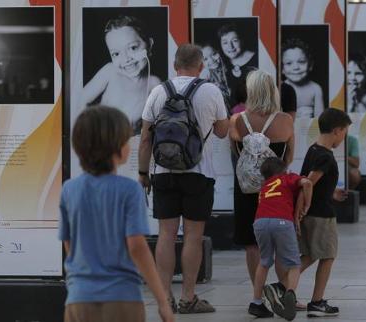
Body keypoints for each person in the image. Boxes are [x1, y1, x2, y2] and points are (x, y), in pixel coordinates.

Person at [59, 106, 174, 322]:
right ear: (118, 149)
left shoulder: (69, 189)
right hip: (122, 297)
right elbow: (137, 247)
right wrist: (162, 301)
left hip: (78, 298)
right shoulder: (130, 190)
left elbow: (69, 244)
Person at [138, 44, 229, 314]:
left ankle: (165, 298)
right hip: (198, 175)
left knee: (166, 235)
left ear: (175, 65)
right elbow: (223, 132)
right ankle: (189, 297)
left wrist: (143, 173)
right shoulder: (210, 91)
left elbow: (145, 138)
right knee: (193, 235)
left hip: (164, 174)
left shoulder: (158, 91)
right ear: (201, 66)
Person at [229, 70, 295, 307]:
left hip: (246, 189)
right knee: (281, 242)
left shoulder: (236, 121)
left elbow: (236, 154)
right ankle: (287, 291)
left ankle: (259, 294)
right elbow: (289, 158)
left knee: (251, 243)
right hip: (276, 189)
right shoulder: (286, 121)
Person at [297, 108, 352, 318]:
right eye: (344, 132)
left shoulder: (313, 150)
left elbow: (314, 183)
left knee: (310, 254)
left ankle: (283, 287)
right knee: (327, 256)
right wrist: (300, 210)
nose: (343, 137)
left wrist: (332, 192)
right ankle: (316, 301)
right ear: (337, 130)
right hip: (321, 215)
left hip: (313, 211)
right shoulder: (325, 157)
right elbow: (308, 183)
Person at [249, 157, 313, 320]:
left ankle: (256, 303)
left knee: (264, 262)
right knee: (294, 264)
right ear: (283, 170)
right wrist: (306, 205)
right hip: (282, 221)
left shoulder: (264, 186)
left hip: (260, 222)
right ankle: (288, 295)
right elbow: (307, 183)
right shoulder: (287, 177)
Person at [83, 15, 161, 134]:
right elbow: (79, 102)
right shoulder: (110, 72)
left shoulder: (153, 83)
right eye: (116, 54)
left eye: (133, 48)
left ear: (149, 44)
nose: (126, 59)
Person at [281, 38, 324, 118]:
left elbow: (320, 120)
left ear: (310, 65)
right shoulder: (280, 89)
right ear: (282, 69)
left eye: (301, 62)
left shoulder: (315, 89)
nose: (296, 67)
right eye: (289, 63)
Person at [200, 43, 232, 108]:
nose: (212, 60)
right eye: (205, 59)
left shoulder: (229, 68)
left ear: (219, 51)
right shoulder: (205, 75)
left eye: (214, 54)